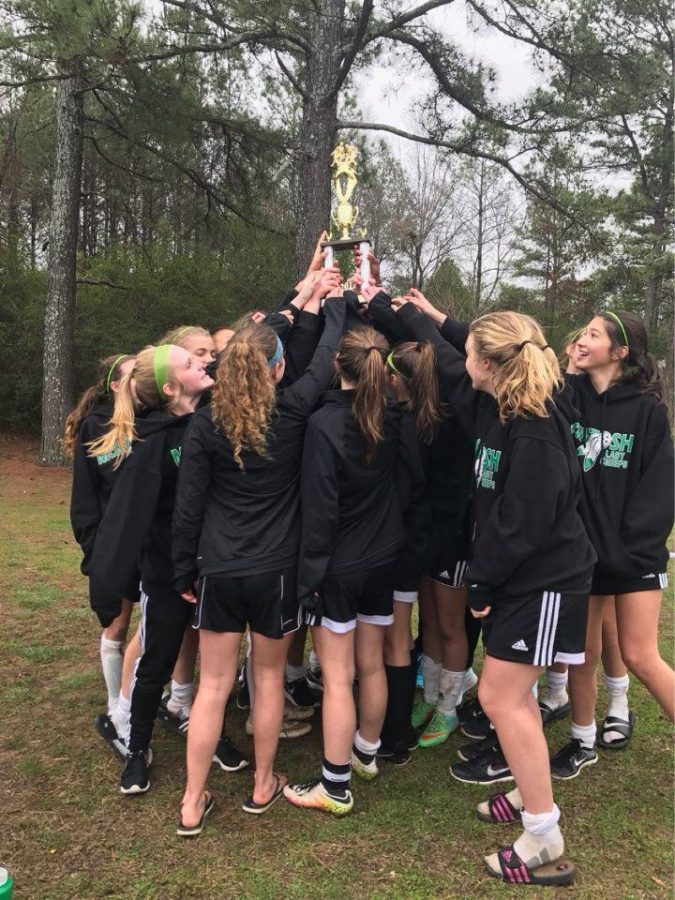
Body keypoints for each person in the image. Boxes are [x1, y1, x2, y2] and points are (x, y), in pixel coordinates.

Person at [393, 292, 595, 886]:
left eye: (472, 351)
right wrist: (414, 313)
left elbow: (522, 523)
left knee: (503, 699)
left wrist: (481, 581)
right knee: (514, 699)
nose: (462, 359)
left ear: (492, 362)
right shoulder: (499, 406)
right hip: (522, 579)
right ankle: (533, 801)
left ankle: (543, 836)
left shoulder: (532, 429)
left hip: (547, 580)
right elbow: (450, 350)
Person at [171, 274, 344, 835]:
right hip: (274, 572)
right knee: (266, 680)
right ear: (275, 369)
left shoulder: (205, 422)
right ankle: (261, 781)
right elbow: (321, 361)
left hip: (218, 569)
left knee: (214, 686)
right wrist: (332, 302)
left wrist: (182, 569)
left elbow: (188, 508)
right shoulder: (292, 410)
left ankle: (192, 801)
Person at [87, 342, 247, 794]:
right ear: (173, 387)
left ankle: (209, 730)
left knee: (215, 667)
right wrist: (110, 585)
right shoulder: (151, 443)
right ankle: (137, 748)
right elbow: (124, 523)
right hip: (167, 574)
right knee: (156, 662)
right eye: (193, 363)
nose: (205, 363)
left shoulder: (213, 418)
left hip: (215, 568)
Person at [283, 324, 424, 817]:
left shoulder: (325, 427)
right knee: (371, 664)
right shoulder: (390, 415)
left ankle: (336, 783)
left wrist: (310, 579)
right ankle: (366, 751)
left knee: (340, 676)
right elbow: (410, 478)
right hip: (381, 558)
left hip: (340, 566)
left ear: (336, 366)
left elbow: (319, 510)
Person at [550, 310, 674, 778]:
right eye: (582, 331)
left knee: (641, 655)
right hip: (584, 557)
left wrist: (626, 552)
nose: (582, 339)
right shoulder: (569, 396)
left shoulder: (647, 411)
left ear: (620, 353)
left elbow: (659, 493)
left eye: (594, 335)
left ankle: (621, 711)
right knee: (579, 654)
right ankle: (582, 741)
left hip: (632, 558)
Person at [66, 353, 139, 756]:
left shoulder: (151, 422)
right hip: (113, 551)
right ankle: (116, 706)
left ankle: (144, 695)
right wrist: (96, 551)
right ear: (114, 385)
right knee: (117, 626)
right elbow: (84, 501)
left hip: (147, 546)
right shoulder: (95, 428)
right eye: (133, 373)